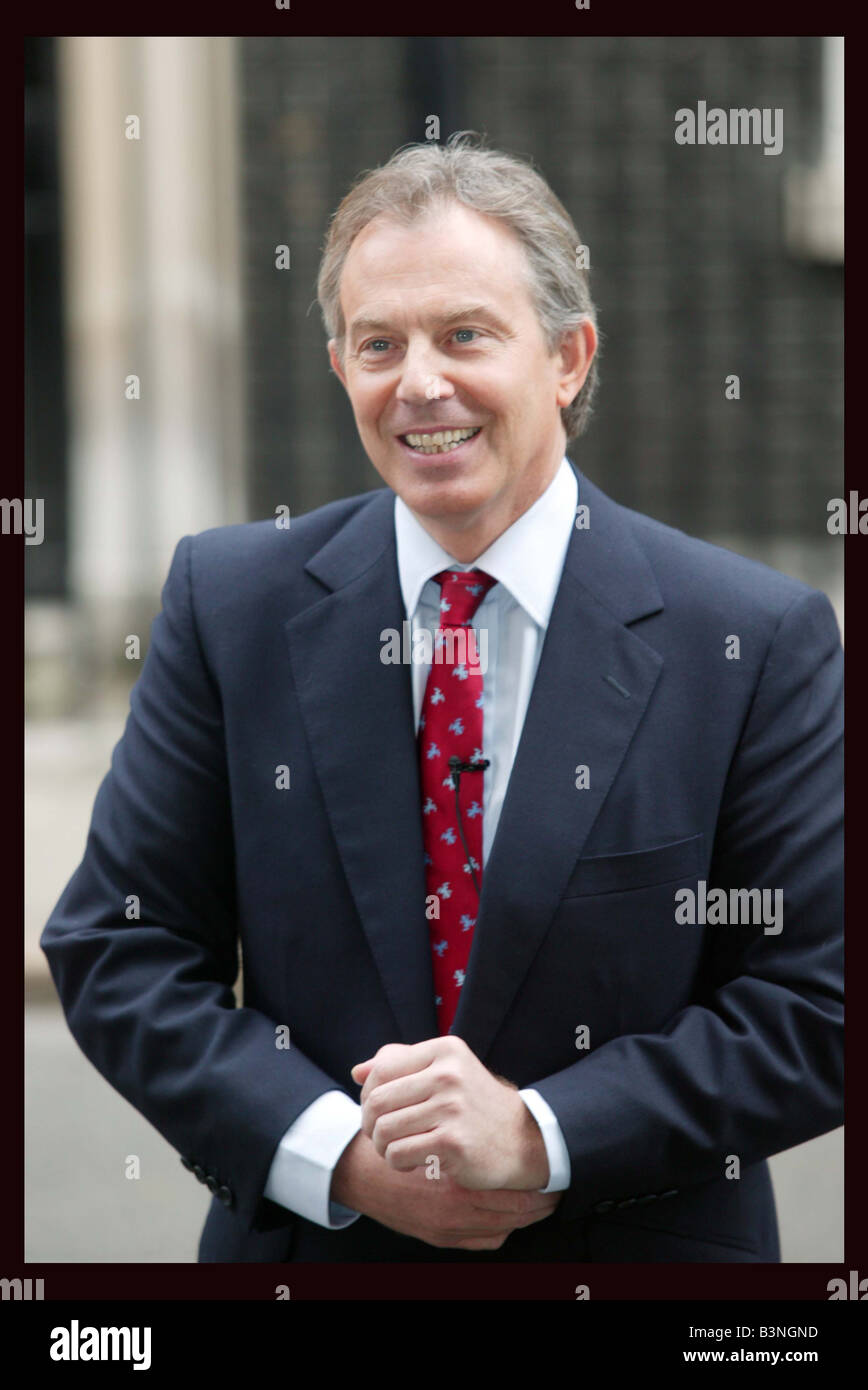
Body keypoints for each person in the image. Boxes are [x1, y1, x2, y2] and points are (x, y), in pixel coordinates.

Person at [41, 132, 843, 1263]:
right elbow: (120, 947)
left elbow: (819, 1004)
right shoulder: (230, 604)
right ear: (339, 369)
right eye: (379, 343)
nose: (420, 382)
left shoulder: (752, 640)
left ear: (568, 357)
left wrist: (541, 1135)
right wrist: (338, 1156)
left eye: (465, 334)